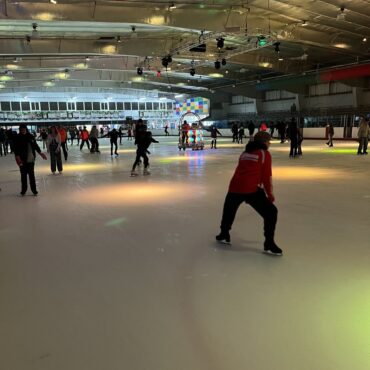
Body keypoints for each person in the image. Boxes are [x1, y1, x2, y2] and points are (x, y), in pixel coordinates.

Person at [215, 131, 282, 256]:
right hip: (251, 189)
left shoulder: (245, 153)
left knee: (229, 210)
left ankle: (224, 233)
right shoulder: (264, 154)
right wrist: (270, 194)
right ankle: (269, 243)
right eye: (269, 141)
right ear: (264, 142)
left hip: (235, 187)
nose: (270, 143)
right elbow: (267, 176)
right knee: (272, 213)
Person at [13, 123, 47, 195]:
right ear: (20, 130)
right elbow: (15, 148)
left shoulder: (30, 136)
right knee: (23, 175)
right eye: (21, 129)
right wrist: (17, 156)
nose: (22, 130)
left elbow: (35, 146)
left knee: (31, 175)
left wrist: (41, 153)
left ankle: (34, 190)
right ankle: (23, 190)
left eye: (24, 129)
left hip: (31, 159)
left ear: (26, 129)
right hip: (22, 159)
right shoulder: (17, 137)